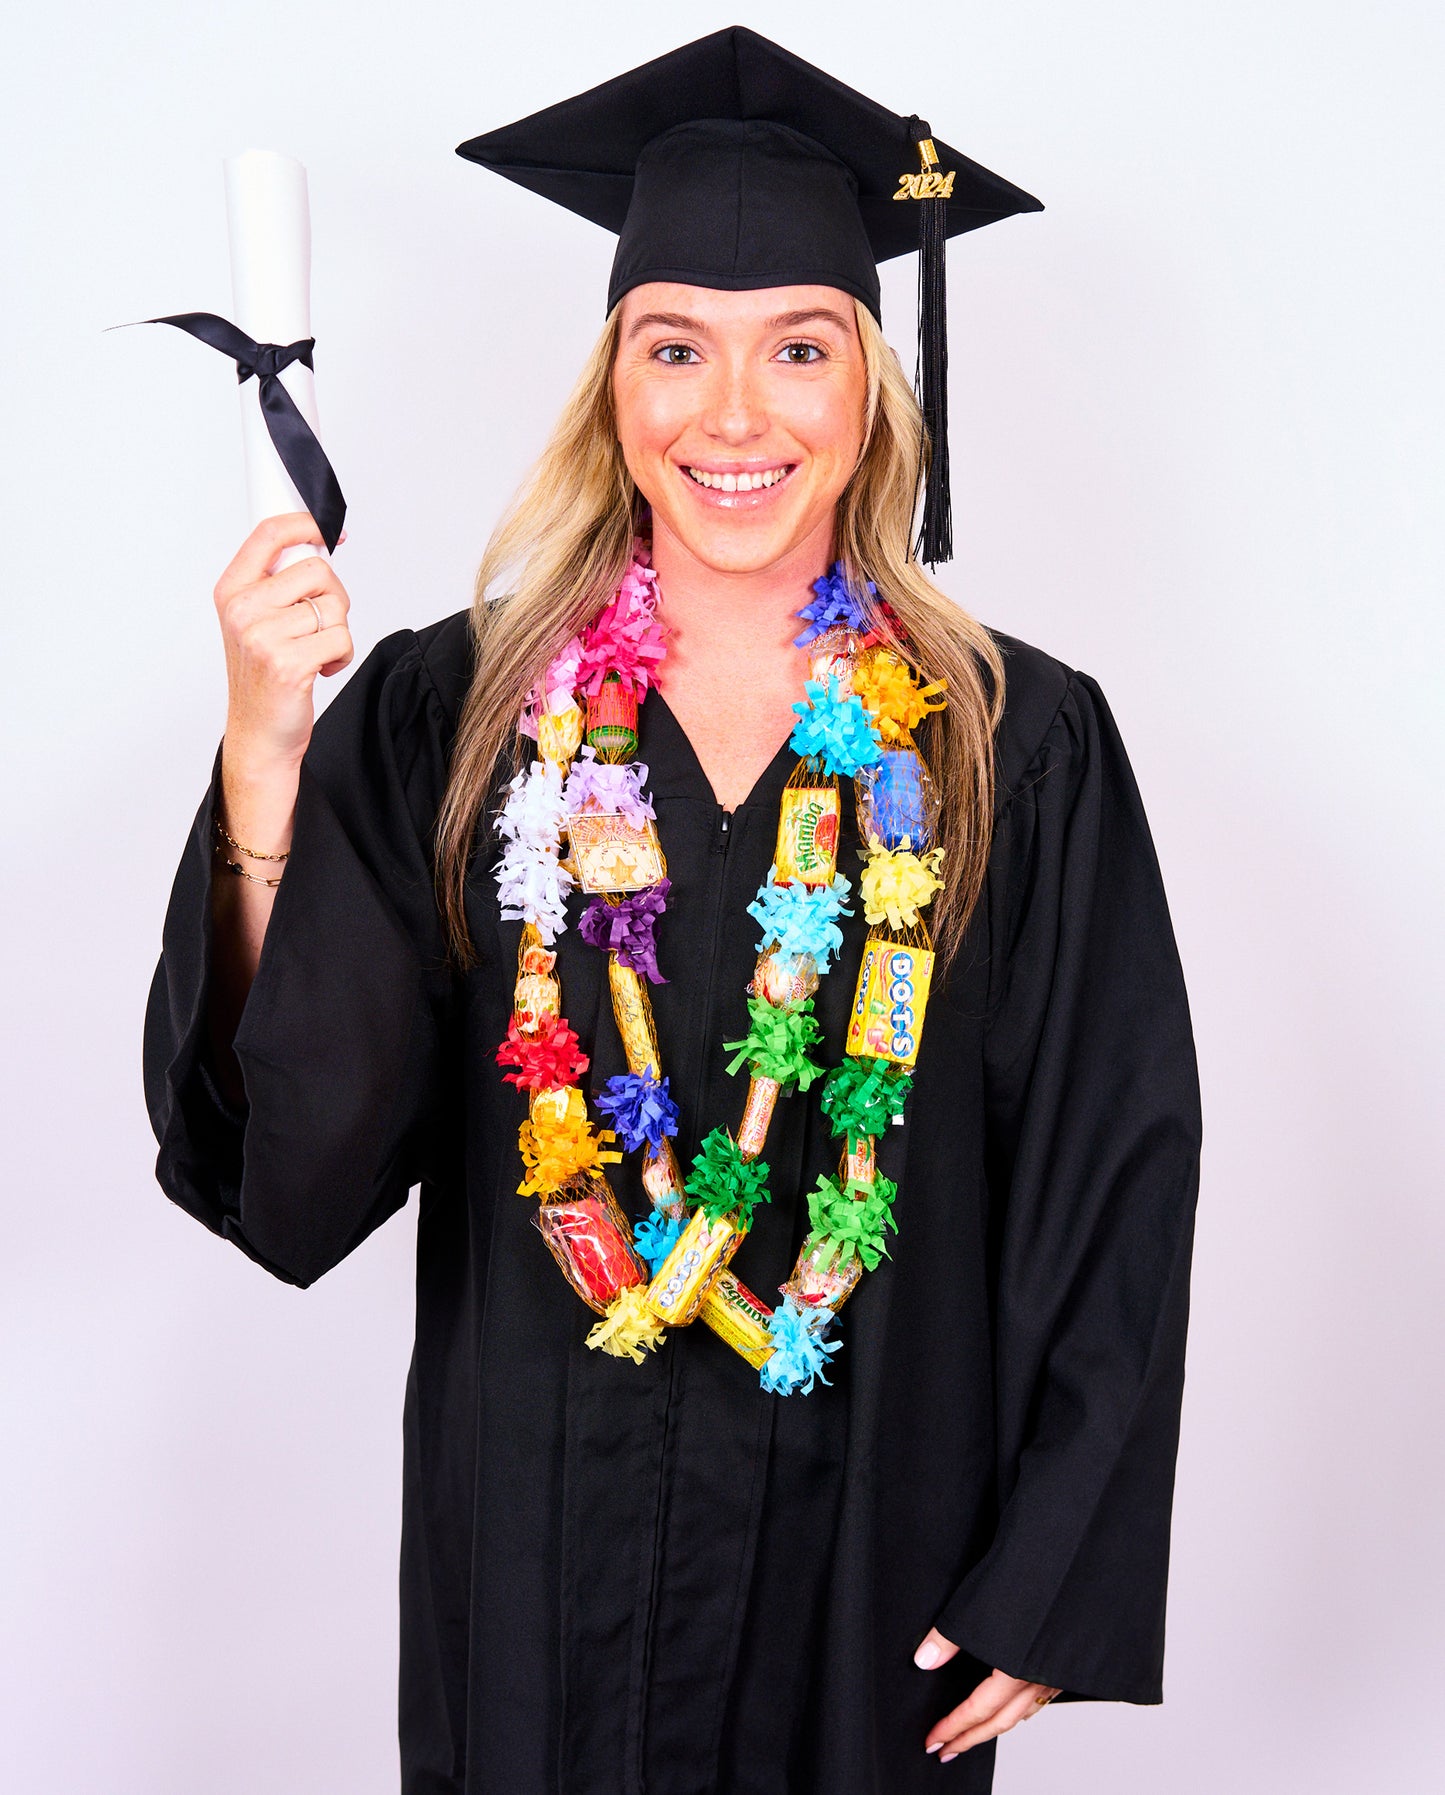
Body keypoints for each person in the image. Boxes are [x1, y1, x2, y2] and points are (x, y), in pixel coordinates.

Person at [144, 27, 1202, 1795]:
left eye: (798, 348)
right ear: (611, 387)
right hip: (531, 1549)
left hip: (875, 1551)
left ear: (871, 384)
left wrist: (1054, 1570)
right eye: (674, 349)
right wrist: (266, 750)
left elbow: (1110, 1164)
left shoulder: (1016, 743)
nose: (733, 414)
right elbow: (303, 1161)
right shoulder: (455, 711)